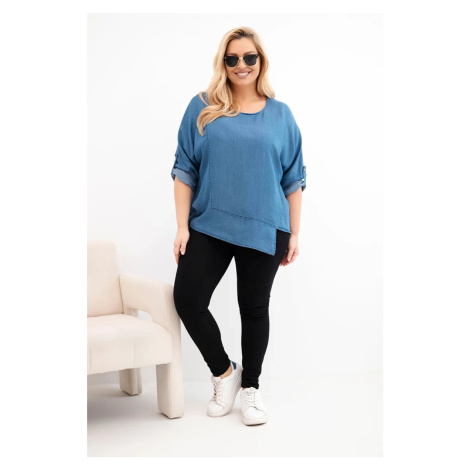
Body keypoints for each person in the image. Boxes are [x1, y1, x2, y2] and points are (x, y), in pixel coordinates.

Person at [170, 26, 306, 426]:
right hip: (210, 222)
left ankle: (252, 388)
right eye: (232, 58)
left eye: (249, 57)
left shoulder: (281, 115)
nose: (241, 65)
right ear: (223, 63)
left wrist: (295, 232)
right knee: (188, 298)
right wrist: (182, 227)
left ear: (261, 61)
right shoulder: (202, 106)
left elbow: (294, 179)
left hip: (266, 225)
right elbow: (184, 169)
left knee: (254, 307)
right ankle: (224, 374)